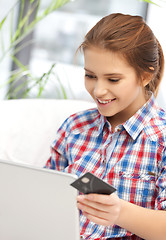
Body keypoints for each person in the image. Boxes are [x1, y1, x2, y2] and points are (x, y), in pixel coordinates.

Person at [45, 13, 166, 240]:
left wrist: (120, 212)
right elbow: (44, 197)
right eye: (90, 75)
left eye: (113, 80)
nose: (98, 90)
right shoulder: (75, 128)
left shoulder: (162, 139)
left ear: (145, 76)